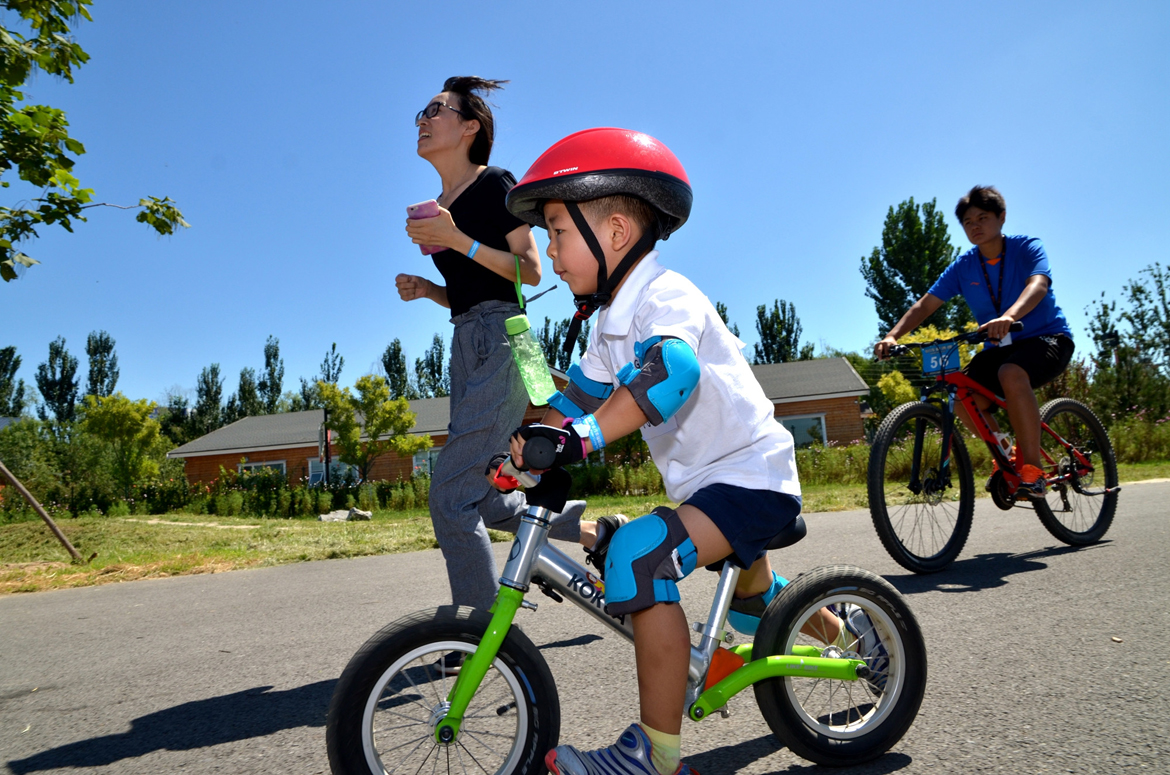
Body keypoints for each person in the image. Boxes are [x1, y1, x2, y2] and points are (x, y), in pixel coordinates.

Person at [495, 128, 882, 775]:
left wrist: (582, 437)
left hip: (751, 478)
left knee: (637, 556)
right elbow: (577, 401)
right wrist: (527, 450)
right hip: (712, 487)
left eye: (558, 231)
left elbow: (672, 371)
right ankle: (854, 637)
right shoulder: (607, 325)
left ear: (614, 233)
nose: (552, 254)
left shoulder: (662, 296)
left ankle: (656, 757)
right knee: (760, 602)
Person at [398, 78, 623, 654]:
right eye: (421, 111)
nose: (421, 119)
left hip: (503, 338)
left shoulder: (494, 184)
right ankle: (601, 535)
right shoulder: (442, 208)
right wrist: (431, 289)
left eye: (436, 110)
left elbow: (528, 272)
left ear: (470, 127)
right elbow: (474, 292)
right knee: (488, 495)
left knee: (452, 493)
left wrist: (457, 240)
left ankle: (478, 639)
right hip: (472, 336)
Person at [875, 185, 1075, 497]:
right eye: (968, 222)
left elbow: (1038, 285)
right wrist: (891, 336)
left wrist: (1009, 316)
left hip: (1047, 339)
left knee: (1011, 373)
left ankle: (1032, 471)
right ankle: (1006, 452)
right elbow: (925, 305)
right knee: (958, 394)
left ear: (1002, 217)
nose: (975, 226)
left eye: (982, 218)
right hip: (1000, 349)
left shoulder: (1027, 247)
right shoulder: (964, 266)